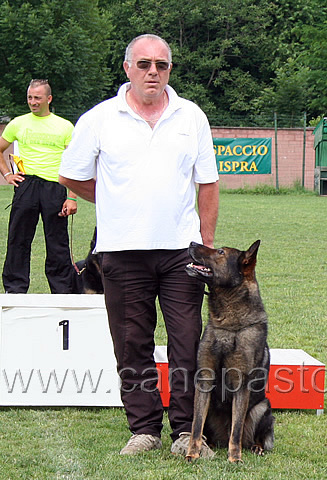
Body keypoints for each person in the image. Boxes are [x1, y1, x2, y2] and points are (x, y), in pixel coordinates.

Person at [58, 34, 220, 456]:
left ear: (170, 70)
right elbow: (71, 175)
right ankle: (144, 429)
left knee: (188, 342)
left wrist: (207, 244)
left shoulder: (192, 116)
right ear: (127, 67)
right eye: (144, 64)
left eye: (162, 65)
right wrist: (109, 197)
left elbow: (208, 183)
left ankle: (186, 431)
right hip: (122, 249)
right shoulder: (99, 118)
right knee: (132, 342)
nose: (153, 72)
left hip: (181, 251)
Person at [0, 79, 78, 294]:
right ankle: (14, 289)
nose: (33, 102)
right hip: (27, 185)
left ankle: (63, 290)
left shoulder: (64, 126)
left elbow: (75, 163)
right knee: (18, 239)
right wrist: (8, 174)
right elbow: (1, 148)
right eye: (30, 98)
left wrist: (72, 197)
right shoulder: (18, 123)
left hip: (54, 187)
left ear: (48, 99)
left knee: (57, 243)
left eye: (37, 98)